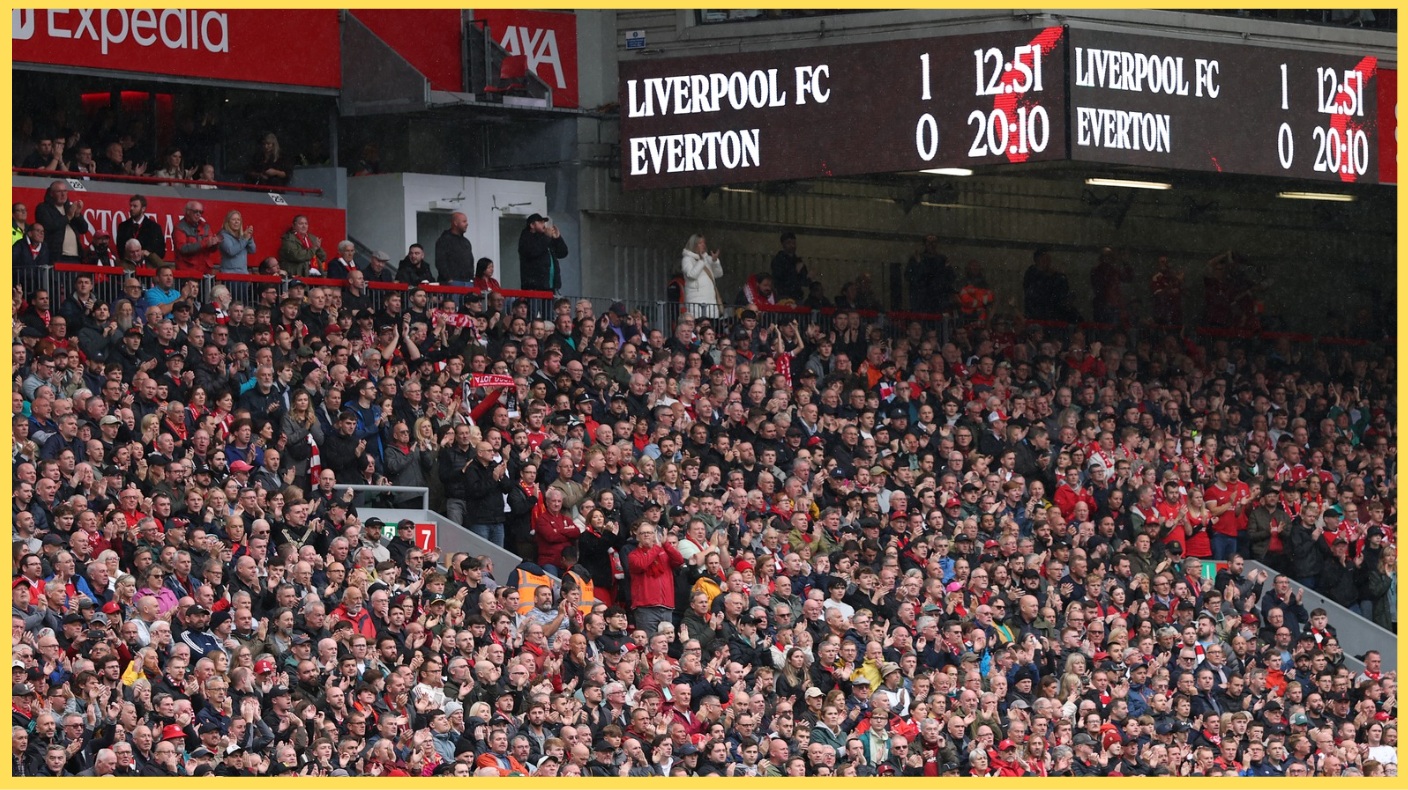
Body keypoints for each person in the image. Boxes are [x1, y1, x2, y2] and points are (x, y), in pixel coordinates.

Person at [34, 180, 88, 263]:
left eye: (65, 191)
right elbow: (49, 226)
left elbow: (84, 229)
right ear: (51, 193)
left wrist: (77, 215)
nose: (63, 194)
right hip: (57, 257)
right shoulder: (43, 208)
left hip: (75, 257)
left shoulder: (69, 208)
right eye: (59, 191)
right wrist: (68, 217)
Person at [518, 213, 569, 294]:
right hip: (534, 287)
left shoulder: (545, 238)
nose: (544, 224)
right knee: (536, 306)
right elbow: (533, 252)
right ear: (532, 225)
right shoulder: (527, 237)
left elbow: (562, 253)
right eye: (541, 222)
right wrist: (547, 237)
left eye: (544, 222)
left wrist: (557, 238)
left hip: (550, 286)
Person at [680, 234, 723, 319]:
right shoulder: (687, 259)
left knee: (709, 329)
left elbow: (719, 274)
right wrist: (701, 261)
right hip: (696, 303)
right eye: (700, 243)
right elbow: (691, 275)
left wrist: (715, 262)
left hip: (711, 302)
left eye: (704, 242)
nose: (703, 245)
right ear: (693, 245)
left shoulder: (707, 258)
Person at [172, 201, 220, 276]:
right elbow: (182, 248)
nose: (198, 214)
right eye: (195, 211)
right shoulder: (179, 227)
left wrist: (214, 244)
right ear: (188, 211)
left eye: (201, 212)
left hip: (205, 271)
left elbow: (212, 250)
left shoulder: (205, 226)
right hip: (187, 271)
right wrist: (205, 243)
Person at [116, 194, 168, 261]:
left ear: (143, 209)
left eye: (135, 206)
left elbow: (161, 251)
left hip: (148, 265)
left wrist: (147, 254)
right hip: (129, 264)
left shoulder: (154, 227)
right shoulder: (123, 227)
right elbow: (120, 249)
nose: (131, 208)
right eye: (131, 206)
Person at [435, 212, 475, 286]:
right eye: (464, 221)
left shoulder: (466, 242)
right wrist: (448, 278)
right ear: (456, 223)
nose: (467, 224)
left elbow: (470, 261)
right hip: (452, 282)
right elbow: (440, 261)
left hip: (467, 282)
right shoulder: (444, 240)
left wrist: (471, 278)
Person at [769, 231, 808, 302]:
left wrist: (808, 277)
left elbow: (804, 282)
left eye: (794, 243)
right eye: (789, 243)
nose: (792, 246)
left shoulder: (798, 260)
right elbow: (780, 278)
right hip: (783, 296)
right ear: (783, 244)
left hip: (797, 296)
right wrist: (795, 271)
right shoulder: (778, 260)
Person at [218, 210, 257, 274]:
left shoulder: (242, 237)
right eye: (233, 219)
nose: (236, 222)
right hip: (229, 275)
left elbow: (252, 250)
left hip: (243, 274)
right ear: (227, 222)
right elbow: (231, 251)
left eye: (238, 220)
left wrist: (249, 238)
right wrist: (244, 239)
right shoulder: (223, 235)